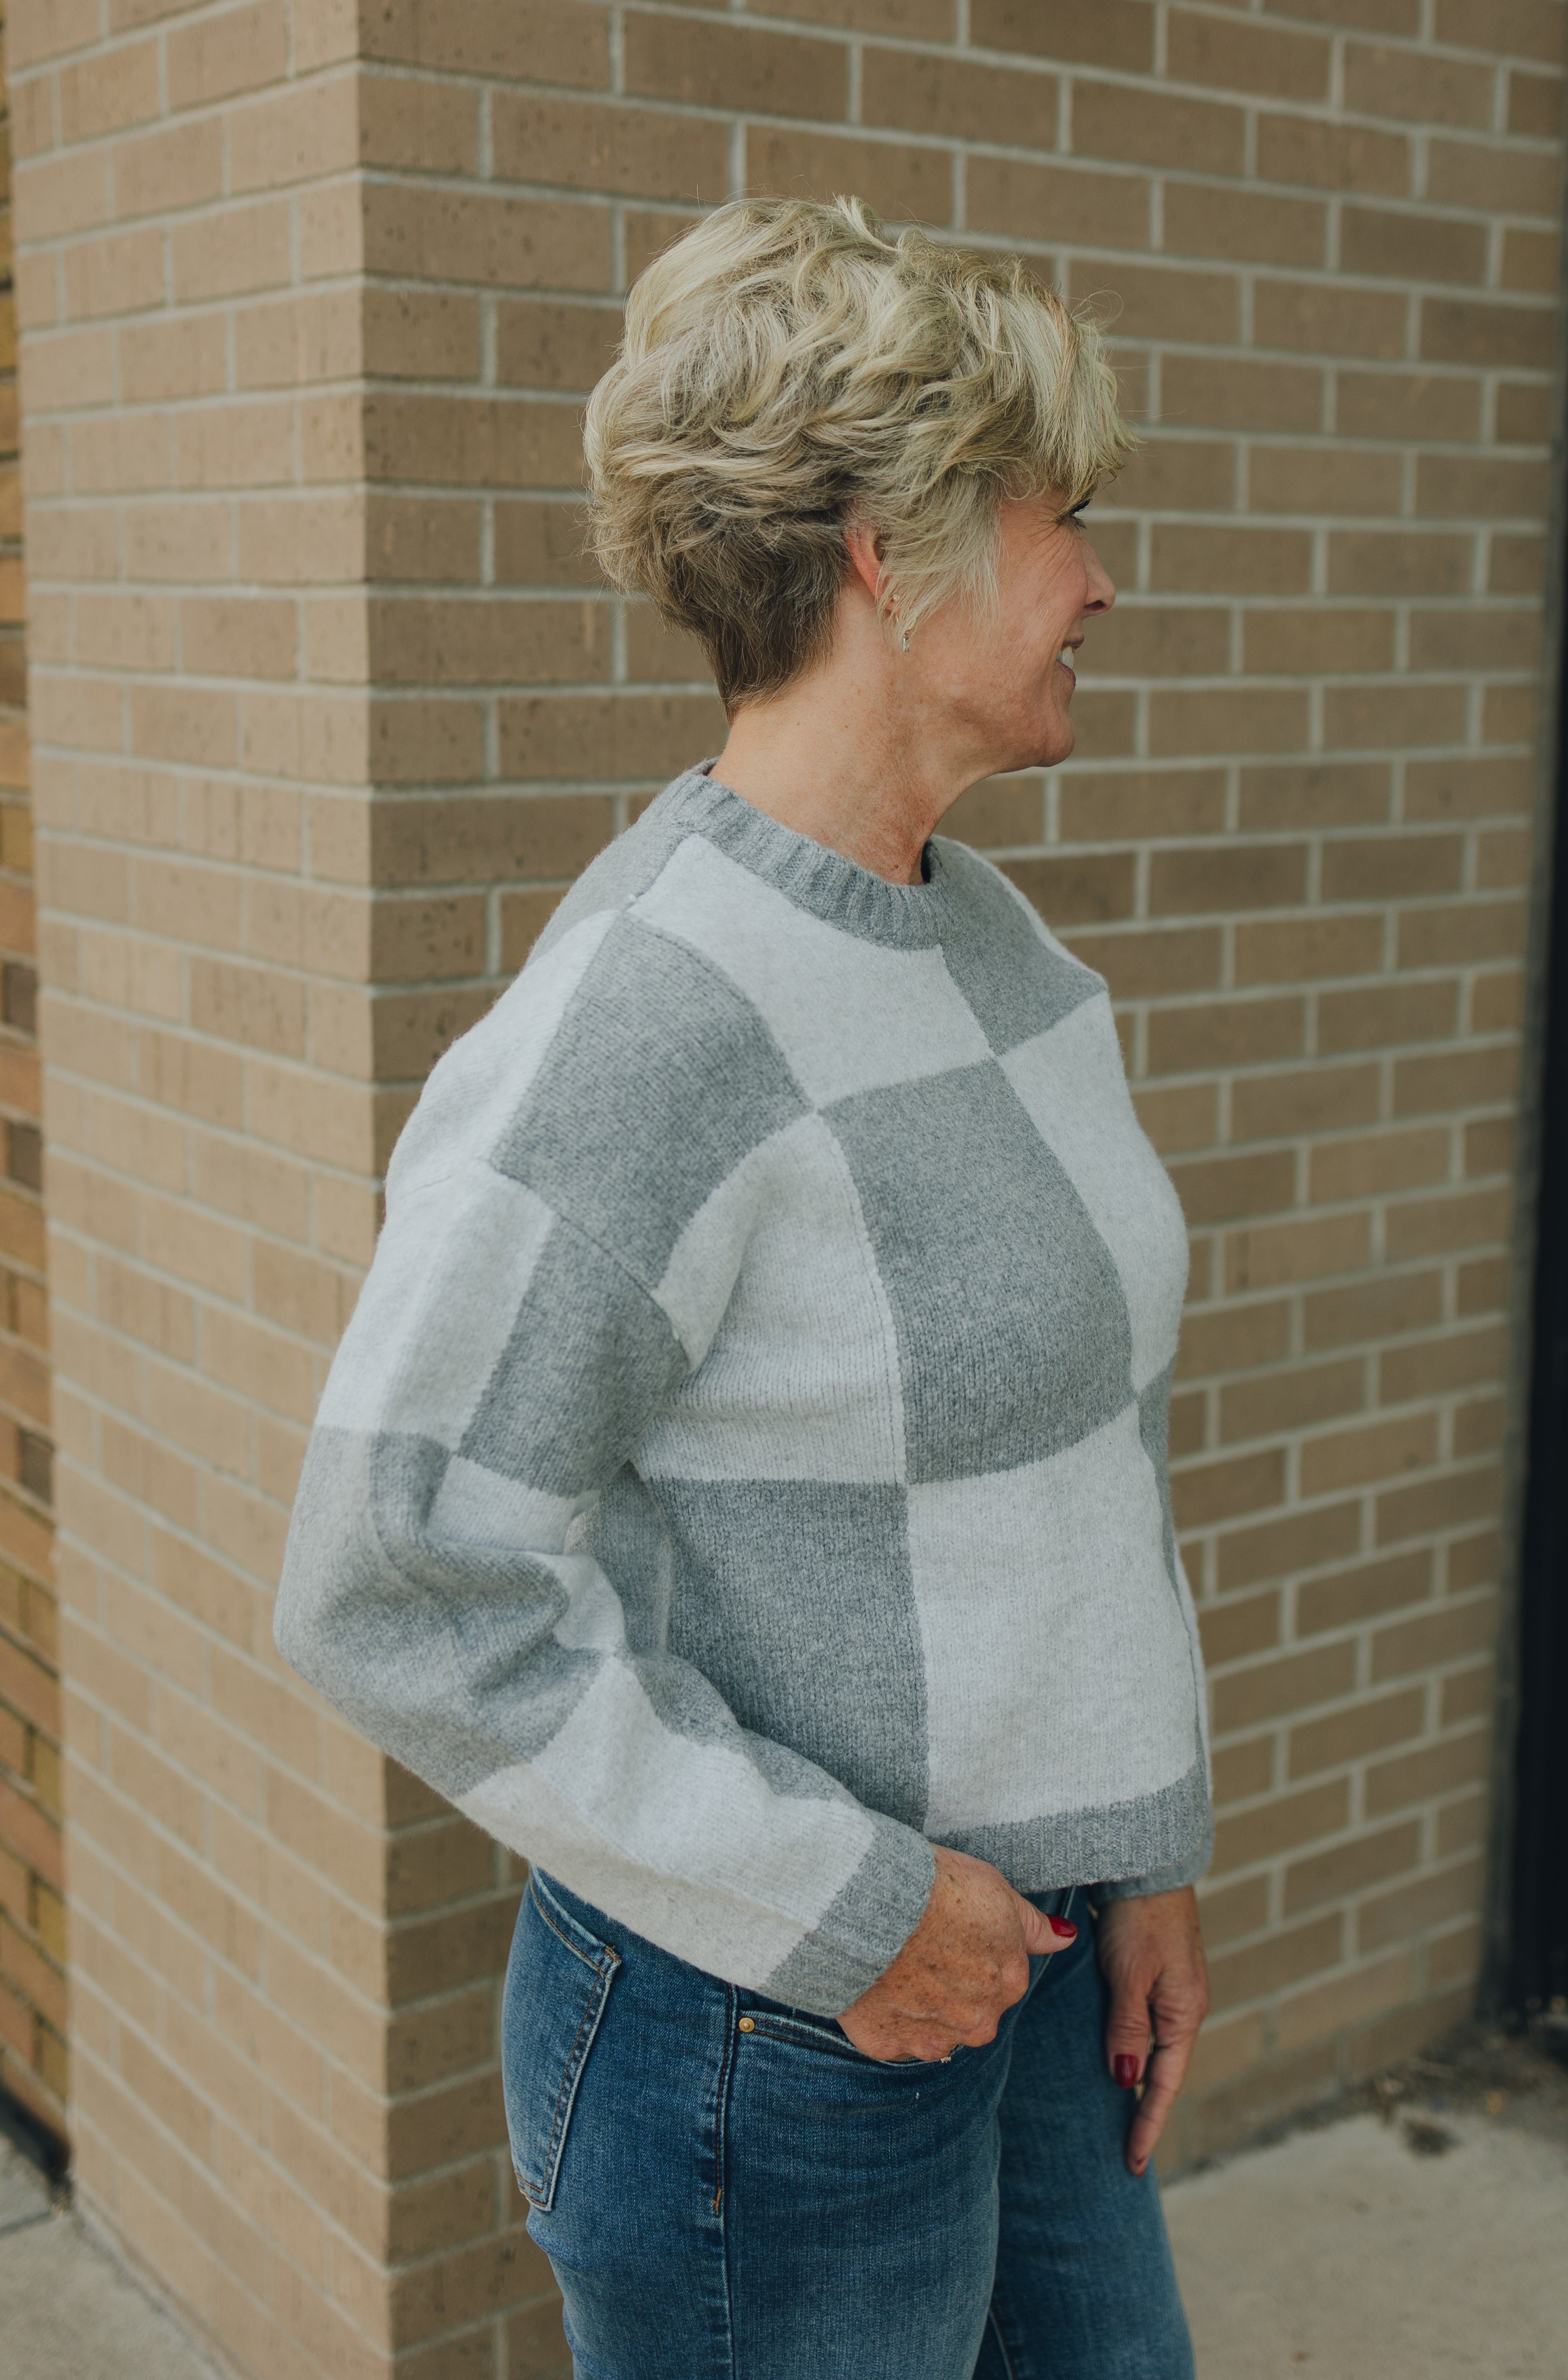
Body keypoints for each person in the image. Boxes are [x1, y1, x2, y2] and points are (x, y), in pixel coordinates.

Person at [275, 194, 1212, 2380]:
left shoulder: (990, 949)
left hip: (1040, 1962)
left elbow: (1078, 1461)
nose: (1097, 577)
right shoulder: (650, 1014)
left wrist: (1140, 1849)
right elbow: (395, 1574)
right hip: (769, 2028)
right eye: (1057, 513)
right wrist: (852, 1911)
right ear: (892, 547)